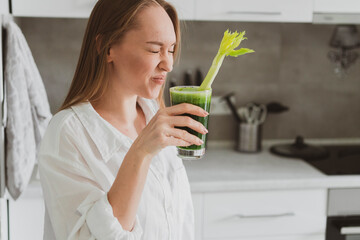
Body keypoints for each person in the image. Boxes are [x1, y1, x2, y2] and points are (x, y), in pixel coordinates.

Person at [38, 0, 209, 239]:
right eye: (154, 49)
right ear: (107, 47)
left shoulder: (155, 115)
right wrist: (141, 152)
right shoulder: (67, 134)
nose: (168, 64)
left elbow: (179, 223)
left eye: (170, 49)